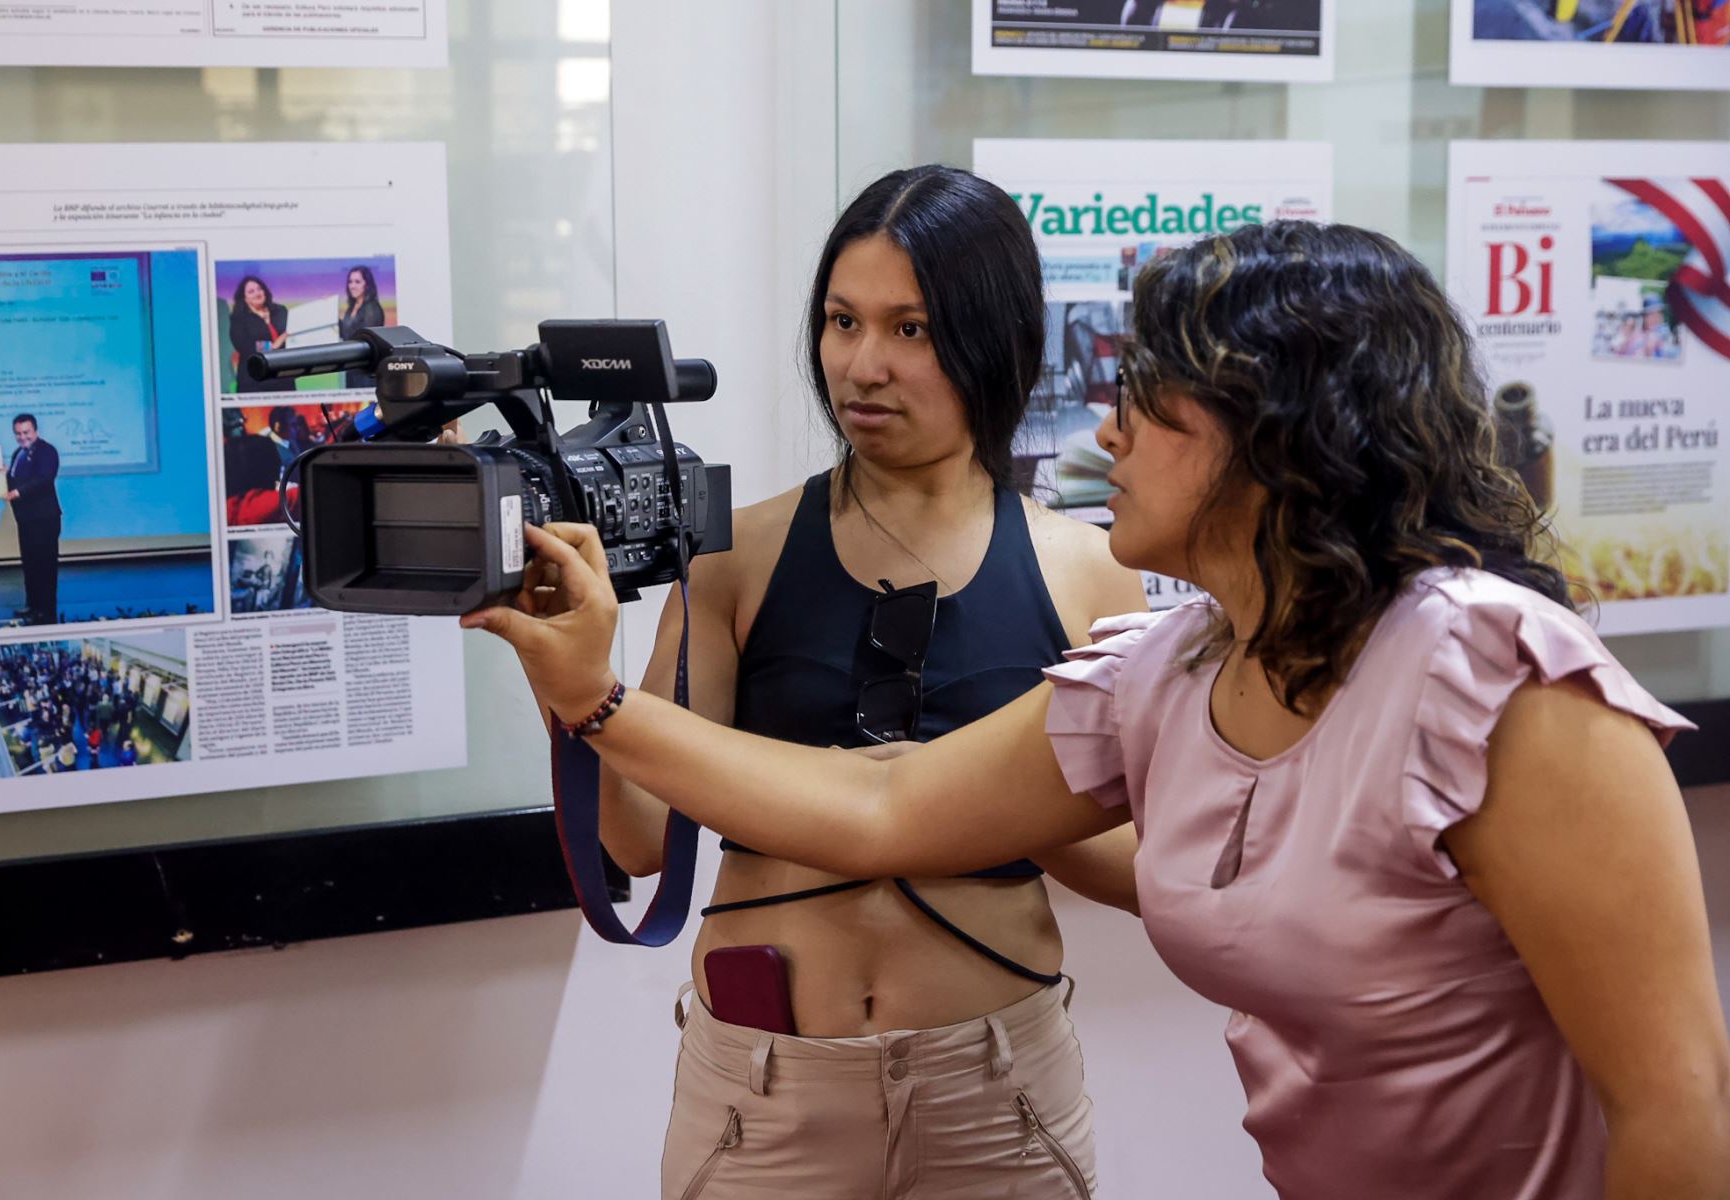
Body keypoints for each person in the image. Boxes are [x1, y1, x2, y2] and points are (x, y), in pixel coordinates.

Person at [471, 221, 1730, 1199]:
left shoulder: (1501, 679)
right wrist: (595, 696)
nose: (1108, 432)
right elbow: (886, 804)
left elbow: (1680, 1110)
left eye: (1152, 400)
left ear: (1279, 433)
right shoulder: (1173, 667)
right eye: (845, 323)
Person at [584, 165, 1145, 1199]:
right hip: (765, 1096)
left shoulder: (1088, 571)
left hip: (996, 1095)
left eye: (912, 330)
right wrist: (565, 679)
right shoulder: (735, 557)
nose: (863, 366)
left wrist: (970, 800)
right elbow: (632, 836)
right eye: (843, 321)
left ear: (993, 336)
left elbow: (1151, 868)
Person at [5, 414, 61, 626]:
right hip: (26, 519)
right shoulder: (17, 453)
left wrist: (18, 492)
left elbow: (44, 479)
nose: (22, 437)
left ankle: (45, 611)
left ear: (35, 431)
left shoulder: (47, 451)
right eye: (18, 433)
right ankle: (32, 606)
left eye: (26, 432)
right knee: (30, 564)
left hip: (44, 519)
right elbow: (13, 479)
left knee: (45, 566)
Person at [228, 275, 294, 395]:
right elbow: (243, 345)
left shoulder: (280, 310)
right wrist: (273, 346)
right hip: (254, 381)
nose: (257, 293)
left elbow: (292, 332)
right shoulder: (239, 318)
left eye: (259, 289)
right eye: (251, 291)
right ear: (245, 299)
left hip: (283, 378)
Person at [340, 266, 387, 389]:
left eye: (357, 282)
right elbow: (346, 333)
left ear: (367, 284)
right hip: (351, 367)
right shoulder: (351, 307)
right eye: (350, 282)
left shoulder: (372, 308)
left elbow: (367, 342)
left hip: (365, 372)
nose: (352, 286)